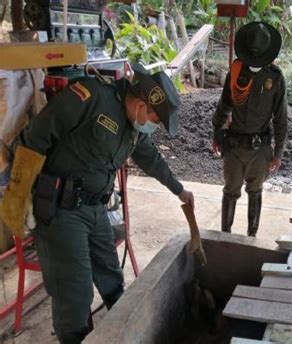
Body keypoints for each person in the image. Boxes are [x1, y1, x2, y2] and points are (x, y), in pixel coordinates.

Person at [0, 63, 194, 343]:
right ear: (141, 104)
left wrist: (179, 190)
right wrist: (18, 192)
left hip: (95, 209)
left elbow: (151, 159)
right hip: (60, 212)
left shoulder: (134, 128)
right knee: (75, 294)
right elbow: (36, 136)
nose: (154, 126)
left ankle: (127, 332)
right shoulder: (91, 97)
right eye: (155, 118)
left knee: (112, 278)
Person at [212, 21, 288, 237]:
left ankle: (251, 237)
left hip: (259, 149)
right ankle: (225, 236)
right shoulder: (236, 71)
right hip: (234, 146)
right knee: (230, 191)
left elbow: (280, 119)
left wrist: (279, 153)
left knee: (255, 192)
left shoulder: (275, 77)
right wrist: (216, 134)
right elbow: (224, 105)